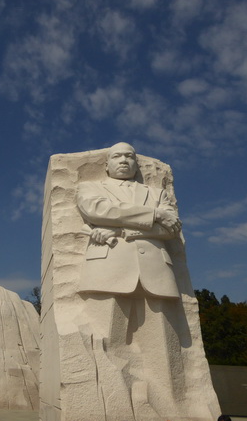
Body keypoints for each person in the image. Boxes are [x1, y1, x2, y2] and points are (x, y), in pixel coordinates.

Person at [76, 142, 191, 418]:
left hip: (156, 272)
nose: (124, 160)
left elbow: (171, 228)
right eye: (117, 156)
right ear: (107, 164)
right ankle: (109, 407)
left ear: (137, 164)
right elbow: (96, 210)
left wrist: (121, 229)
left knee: (164, 349)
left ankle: (171, 408)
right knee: (105, 342)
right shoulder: (90, 188)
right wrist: (152, 215)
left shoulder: (157, 192)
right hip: (108, 269)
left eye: (130, 156)